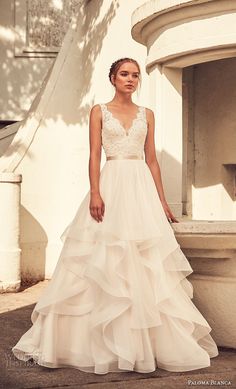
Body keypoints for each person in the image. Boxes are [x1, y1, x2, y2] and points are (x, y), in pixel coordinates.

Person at [12, 57, 219, 374]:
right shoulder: (99, 111)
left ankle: (145, 346)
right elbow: (95, 154)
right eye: (124, 74)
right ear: (112, 78)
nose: (131, 79)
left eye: (135, 75)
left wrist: (163, 203)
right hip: (111, 185)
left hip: (141, 191)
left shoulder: (147, 115)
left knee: (143, 262)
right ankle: (91, 344)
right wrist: (95, 192)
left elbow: (152, 161)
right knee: (103, 260)